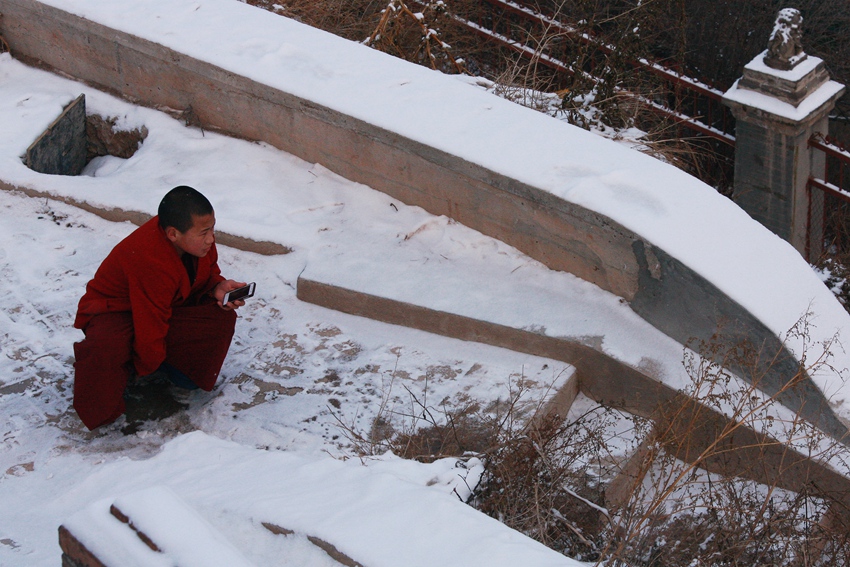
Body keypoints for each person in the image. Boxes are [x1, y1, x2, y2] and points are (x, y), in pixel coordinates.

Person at [72, 186, 247, 430]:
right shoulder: (149, 256)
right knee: (107, 347)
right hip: (115, 310)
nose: (211, 239)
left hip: (160, 305)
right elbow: (150, 321)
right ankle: (114, 395)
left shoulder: (196, 242)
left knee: (219, 316)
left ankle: (175, 372)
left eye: (212, 229)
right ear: (173, 234)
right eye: (205, 232)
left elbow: (205, 275)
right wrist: (146, 365)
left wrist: (217, 287)